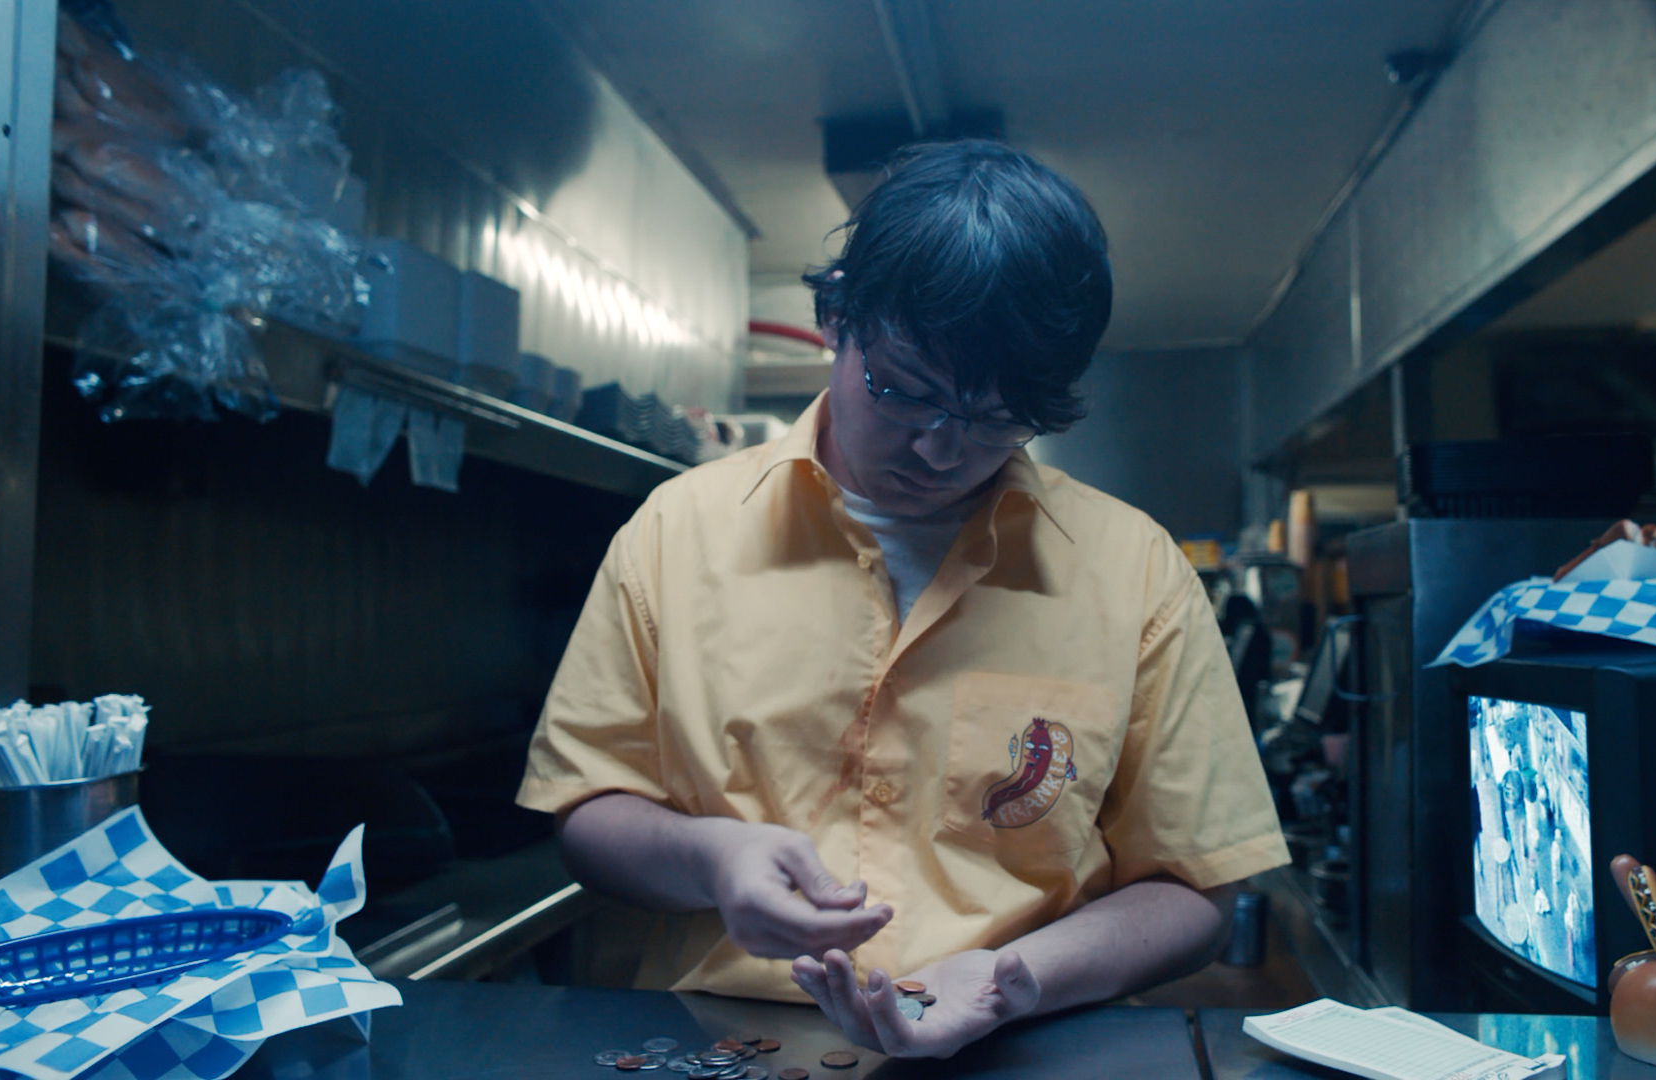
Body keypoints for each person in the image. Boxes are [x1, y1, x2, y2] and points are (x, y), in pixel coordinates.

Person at [516, 139, 1287, 1059]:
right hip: (724, 1047)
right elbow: (586, 812)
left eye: (997, 418)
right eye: (904, 392)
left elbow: (1197, 888)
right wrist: (711, 859)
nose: (940, 449)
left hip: (1022, 1047)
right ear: (836, 317)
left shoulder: (1135, 571)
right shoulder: (673, 534)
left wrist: (1010, 979)